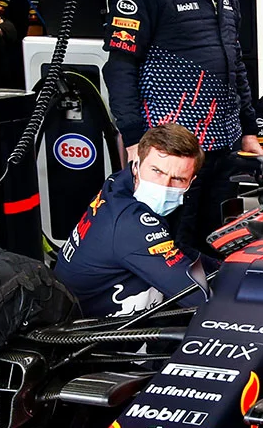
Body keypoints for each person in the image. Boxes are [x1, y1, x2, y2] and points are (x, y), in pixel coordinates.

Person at [105, 0, 263, 256]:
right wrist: (134, 140)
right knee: (171, 243)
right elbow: (120, 67)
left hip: (223, 145)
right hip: (171, 151)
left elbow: (235, 64)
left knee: (218, 240)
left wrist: (249, 130)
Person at [53, 124, 213, 316]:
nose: (164, 186)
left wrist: (225, 266)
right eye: (157, 171)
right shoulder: (131, 224)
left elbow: (174, 248)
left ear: (191, 182)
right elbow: (202, 298)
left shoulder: (119, 183)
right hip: (92, 328)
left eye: (178, 179)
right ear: (137, 165)